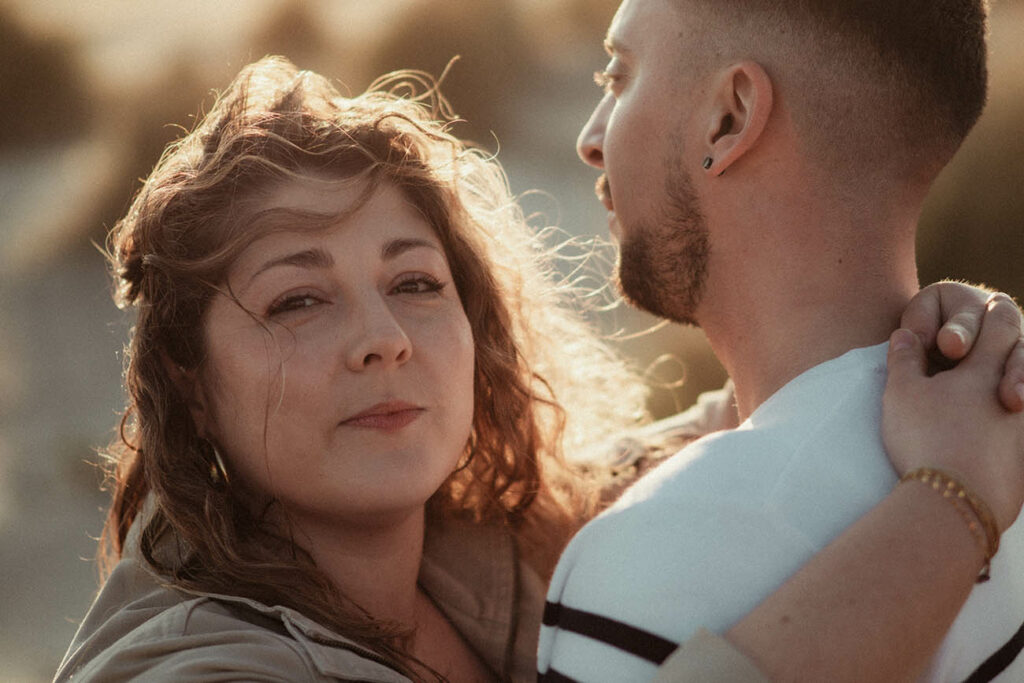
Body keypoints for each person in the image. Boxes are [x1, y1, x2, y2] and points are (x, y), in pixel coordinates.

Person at [53, 57, 1022, 683]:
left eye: (417, 283)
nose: (382, 337)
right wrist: (954, 500)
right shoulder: (194, 670)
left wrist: (930, 341)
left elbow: (697, 436)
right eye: (297, 300)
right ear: (187, 373)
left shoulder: (491, 541)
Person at [538, 1, 1024, 681]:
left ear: (728, 117)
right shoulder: (1005, 431)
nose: (592, 139)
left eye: (618, 77)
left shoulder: (659, 550)